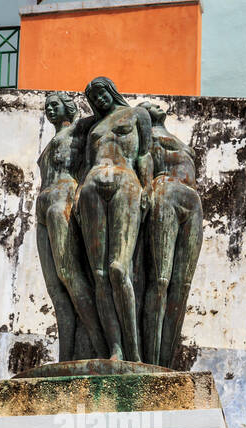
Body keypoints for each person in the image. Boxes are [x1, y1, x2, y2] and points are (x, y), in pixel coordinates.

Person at [77, 76, 153, 362]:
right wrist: (77, 194)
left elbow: (144, 154)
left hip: (125, 182)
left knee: (118, 268)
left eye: (100, 92)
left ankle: (133, 350)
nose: (98, 99)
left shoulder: (136, 115)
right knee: (98, 274)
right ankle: (115, 348)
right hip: (93, 186)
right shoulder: (94, 127)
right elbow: (86, 164)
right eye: (92, 97)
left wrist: (147, 188)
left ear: (111, 90)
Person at [36, 91, 105, 361]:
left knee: (69, 274)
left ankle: (100, 345)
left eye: (55, 105)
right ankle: (66, 355)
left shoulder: (80, 127)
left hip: (63, 196)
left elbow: (108, 117)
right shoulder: (53, 139)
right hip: (42, 204)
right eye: (47, 107)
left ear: (68, 107)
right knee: (54, 286)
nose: (50, 110)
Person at [140, 101, 203, 368]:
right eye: (148, 105)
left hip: (192, 201)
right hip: (163, 193)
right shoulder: (144, 136)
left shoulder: (177, 139)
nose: (155, 105)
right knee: (161, 280)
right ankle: (151, 360)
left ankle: (167, 361)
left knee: (182, 285)